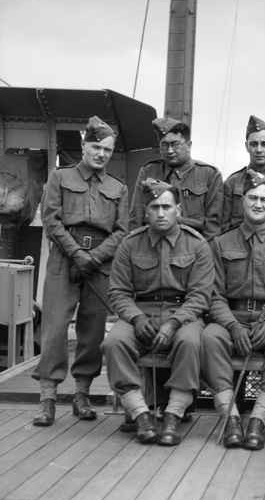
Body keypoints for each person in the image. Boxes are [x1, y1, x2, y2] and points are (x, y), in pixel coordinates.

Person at [32, 116, 128, 426]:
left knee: (92, 331)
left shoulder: (119, 188)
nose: (101, 154)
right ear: (84, 146)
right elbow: (51, 220)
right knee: (55, 328)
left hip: (100, 264)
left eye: (107, 150)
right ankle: (47, 398)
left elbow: (122, 230)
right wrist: (76, 255)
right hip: (64, 258)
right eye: (96, 147)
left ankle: (82, 395)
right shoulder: (59, 178)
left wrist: (95, 257)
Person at [102, 180, 214, 445]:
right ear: (146, 211)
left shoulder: (197, 245)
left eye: (166, 206)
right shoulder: (130, 245)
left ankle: (174, 414)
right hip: (141, 312)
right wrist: (136, 317)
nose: (161, 213)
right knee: (114, 342)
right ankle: (140, 413)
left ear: (178, 209)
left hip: (183, 313)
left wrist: (174, 323)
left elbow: (200, 295)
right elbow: (117, 291)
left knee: (190, 341)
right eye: (154, 207)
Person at [201, 173, 265, 450]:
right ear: (242, 201)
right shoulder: (221, 244)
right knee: (210, 336)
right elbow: (215, 295)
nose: (258, 204)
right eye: (253, 198)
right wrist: (232, 325)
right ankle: (230, 416)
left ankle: (259, 417)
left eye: (264, 199)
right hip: (231, 317)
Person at [129, 117, 223, 240]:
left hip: (193, 250)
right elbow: (136, 218)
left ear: (189, 145)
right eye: (164, 145)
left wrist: (204, 255)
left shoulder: (209, 175)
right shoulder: (148, 171)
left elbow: (213, 227)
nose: (170, 151)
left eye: (175, 144)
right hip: (152, 247)